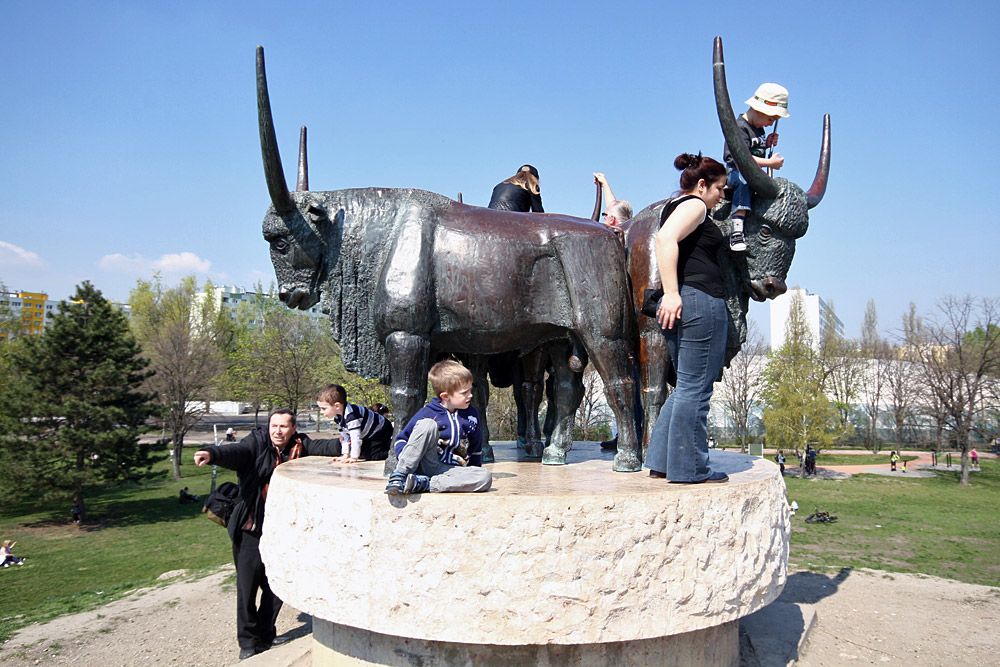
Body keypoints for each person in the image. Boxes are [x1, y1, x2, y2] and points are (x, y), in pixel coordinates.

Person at [193, 409, 340, 660]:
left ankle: (264, 634)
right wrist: (213, 453)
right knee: (247, 587)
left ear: (293, 429)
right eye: (274, 425)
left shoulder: (301, 445)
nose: (277, 431)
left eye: (283, 426)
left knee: (276, 587)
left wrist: (356, 440)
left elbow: (326, 446)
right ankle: (248, 642)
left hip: (283, 532)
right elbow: (238, 452)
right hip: (251, 527)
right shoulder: (257, 442)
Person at [643, 153, 730, 484]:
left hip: (686, 304)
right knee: (697, 389)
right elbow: (664, 239)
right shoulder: (695, 206)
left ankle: (663, 462)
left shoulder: (674, 206)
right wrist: (673, 293)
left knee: (684, 388)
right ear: (703, 185)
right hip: (699, 302)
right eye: (720, 188)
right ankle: (691, 467)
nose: (722, 195)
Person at [385, 360, 493, 495]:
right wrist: (405, 464)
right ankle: (399, 476)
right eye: (464, 392)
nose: (470, 395)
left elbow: (475, 448)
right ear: (445, 396)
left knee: (485, 477)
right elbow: (402, 439)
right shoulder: (428, 412)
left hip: (450, 469)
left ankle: (423, 484)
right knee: (427, 425)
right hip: (425, 462)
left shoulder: (472, 415)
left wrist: (471, 473)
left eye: (470, 390)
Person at [723, 82, 789, 252]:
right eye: (770, 119)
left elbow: (755, 149)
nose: (769, 124)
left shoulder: (758, 130)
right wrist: (770, 163)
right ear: (760, 110)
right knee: (745, 179)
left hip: (754, 172)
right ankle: (737, 228)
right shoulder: (739, 127)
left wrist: (767, 144)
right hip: (736, 172)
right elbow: (741, 157)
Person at [316, 384, 393, 462]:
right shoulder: (338, 417)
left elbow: (356, 438)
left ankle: (392, 451)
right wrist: (345, 454)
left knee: (372, 454)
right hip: (369, 432)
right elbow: (345, 436)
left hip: (382, 429)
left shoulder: (352, 416)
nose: (321, 412)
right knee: (362, 451)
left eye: (323, 408)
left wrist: (353, 457)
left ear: (337, 406)